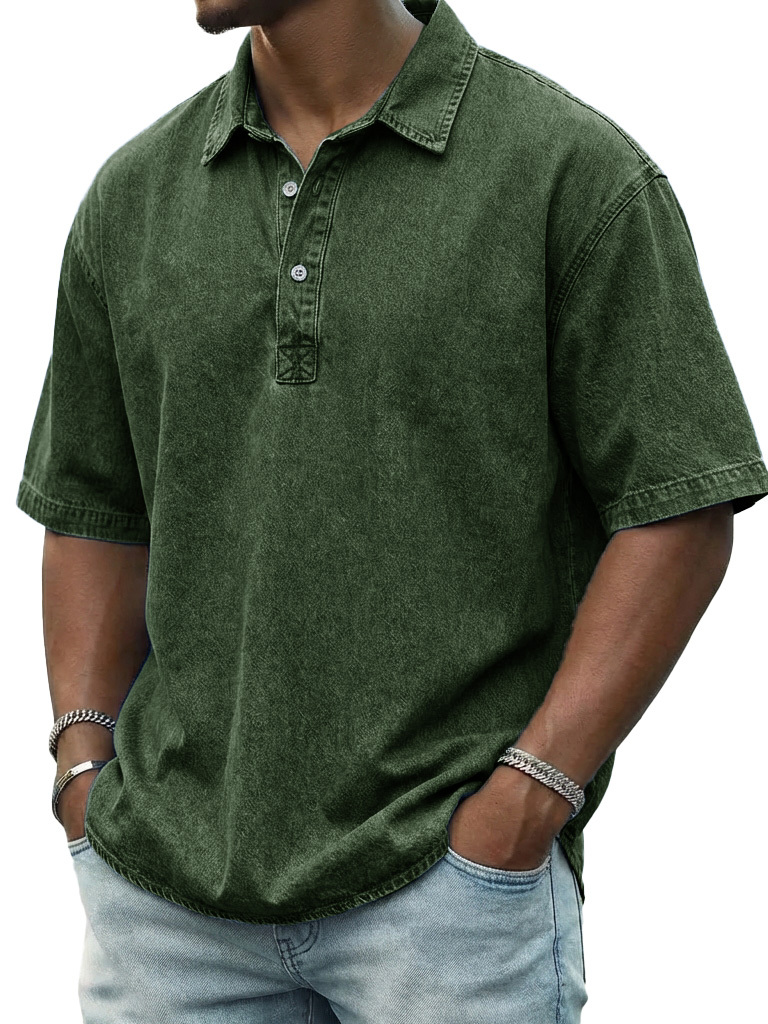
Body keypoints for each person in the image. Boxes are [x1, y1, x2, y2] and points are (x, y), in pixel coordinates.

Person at [16, 0, 768, 1021]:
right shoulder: (134, 195)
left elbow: (677, 507)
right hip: (166, 913)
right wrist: (81, 765)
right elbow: (93, 508)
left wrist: (529, 796)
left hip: (447, 905)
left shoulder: (569, 173)